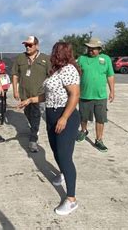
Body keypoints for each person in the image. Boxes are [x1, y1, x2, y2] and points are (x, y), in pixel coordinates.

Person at [19, 42, 81, 216]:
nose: (53, 54)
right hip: (52, 115)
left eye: (56, 52)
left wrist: (64, 117)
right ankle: (63, 173)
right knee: (55, 151)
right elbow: (48, 95)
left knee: (64, 155)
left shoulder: (69, 69)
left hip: (64, 115)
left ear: (63, 53)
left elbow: (75, 95)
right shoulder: (56, 70)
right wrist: (30, 100)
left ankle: (71, 199)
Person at [12, 36, 50, 153]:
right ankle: (34, 128)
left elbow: (51, 76)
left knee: (36, 115)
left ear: (36, 45)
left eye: (30, 45)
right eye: (26, 45)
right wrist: (15, 90)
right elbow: (15, 74)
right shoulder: (20, 58)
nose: (28, 47)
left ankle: (33, 139)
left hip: (39, 95)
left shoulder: (45, 59)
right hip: (24, 94)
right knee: (28, 114)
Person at [76, 37, 115, 152]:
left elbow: (110, 75)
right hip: (84, 95)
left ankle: (99, 140)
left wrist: (112, 91)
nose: (90, 50)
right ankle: (83, 131)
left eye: (93, 49)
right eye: (89, 48)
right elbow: (73, 73)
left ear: (99, 49)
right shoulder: (81, 59)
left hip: (100, 96)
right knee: (83, 117)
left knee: (100, 119)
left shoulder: (106, 59)